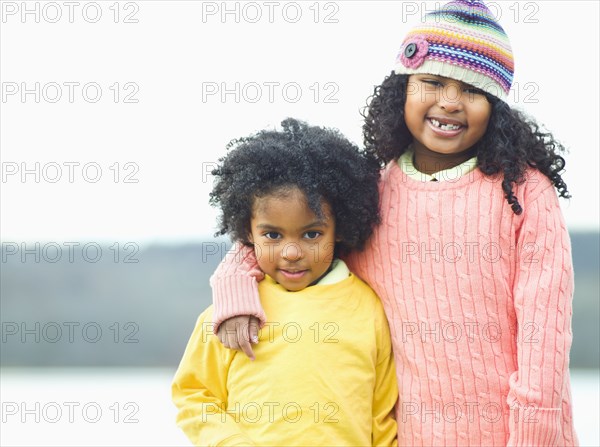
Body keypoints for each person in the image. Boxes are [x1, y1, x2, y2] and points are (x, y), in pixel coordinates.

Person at [208, 1, 578, 446]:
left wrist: (533, 439)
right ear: (402, 87)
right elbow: (286, 233)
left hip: (517, 434)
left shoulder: (523, 193)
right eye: (432, 82)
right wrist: (233, 288)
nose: (449, 102)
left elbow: (545, 335)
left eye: (472, 90)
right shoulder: (371, 192)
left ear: (495, 106)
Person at [172, 118, 398, 446]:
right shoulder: (230, 314)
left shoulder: (367, 308)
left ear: (340, 228)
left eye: (311, 234)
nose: (291, 252)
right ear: (248, 232)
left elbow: (382, 415)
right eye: (273, 235)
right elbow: (193, 394)